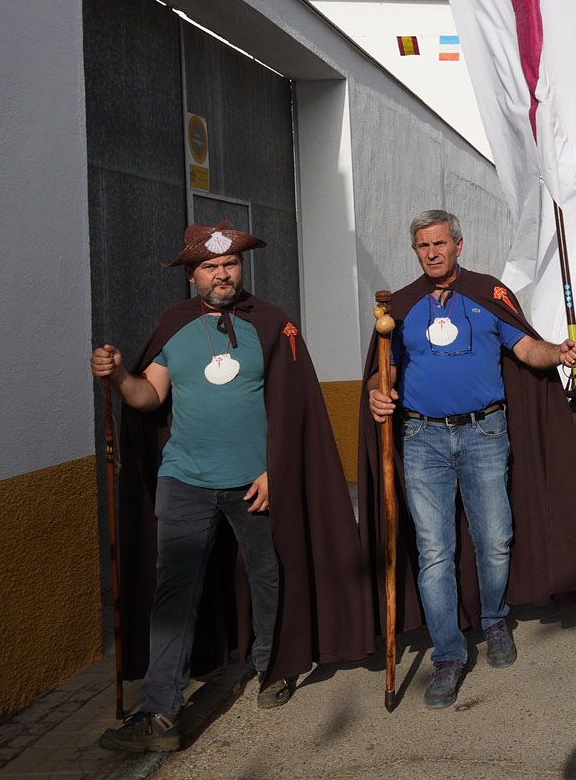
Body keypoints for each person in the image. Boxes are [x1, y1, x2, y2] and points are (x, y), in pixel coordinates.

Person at [95, 222, 372, 752]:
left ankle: (274, 667)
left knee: (268, 575)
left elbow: (294, 410)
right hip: (185, 480)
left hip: (255, 482)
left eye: (230, 265)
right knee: (175, 592)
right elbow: (148, 398)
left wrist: (276, 469)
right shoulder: (173, 324)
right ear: (192, 274)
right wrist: (115, 378)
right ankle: (160, 710)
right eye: (210, 267)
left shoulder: (271, 323)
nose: (222, 274)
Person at [361, 210, 576, 709]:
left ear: (459, 243)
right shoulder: (403, 305)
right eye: (422, 246)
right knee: (434, 552)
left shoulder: (488, 292)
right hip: (422, 440)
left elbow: (526, 350)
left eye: (439, 243)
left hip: (485, 433)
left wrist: (558, 353)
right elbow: (381, 373)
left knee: (495, 540)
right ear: (416, 250)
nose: (431, 252)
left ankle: (495, 620)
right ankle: (449, 656)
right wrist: (376, 393)